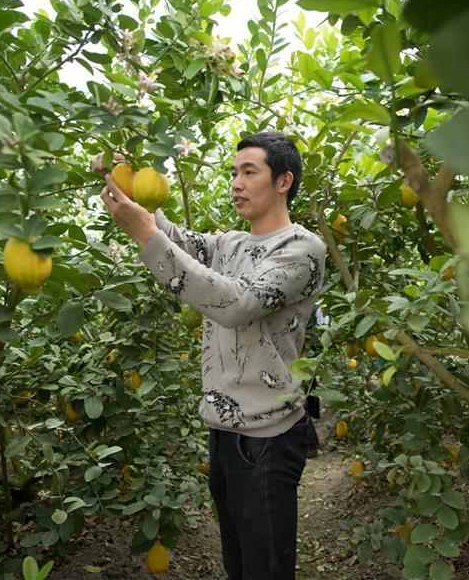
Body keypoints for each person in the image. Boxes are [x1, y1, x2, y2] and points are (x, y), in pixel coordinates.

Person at [94, 131, 326, 580]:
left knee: (266, 568)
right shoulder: (231, 244)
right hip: (222, 433)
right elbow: (176, 241)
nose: (236, 182)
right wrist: (127, 181)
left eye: (249, 172)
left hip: (269, 439)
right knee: (238, 565)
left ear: (284, 181)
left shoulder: (301, 249)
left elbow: (237, 305)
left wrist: (145, 234)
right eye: (234, 172)